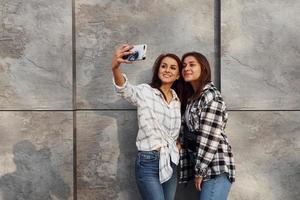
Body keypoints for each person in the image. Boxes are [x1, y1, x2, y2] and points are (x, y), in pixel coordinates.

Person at [112, 44, 184, 200]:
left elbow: (180, 130)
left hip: (171, 161)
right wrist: (116, 67)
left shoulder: (177, 101)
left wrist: (178, 145)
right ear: (158, 70)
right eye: (163, 66)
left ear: (178, 75)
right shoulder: (145, 92)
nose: (167, 70)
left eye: (172, 68)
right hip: (148, 161)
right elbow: (124, 89)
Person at [179, 52, 235, 200]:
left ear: (203, 68)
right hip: (204, 167)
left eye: (192, 64)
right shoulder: (193, 98)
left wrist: (200, 171)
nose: (186, 68)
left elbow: (209, 137)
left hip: (215, 167)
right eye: (184, 65)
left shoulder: (211, 96)